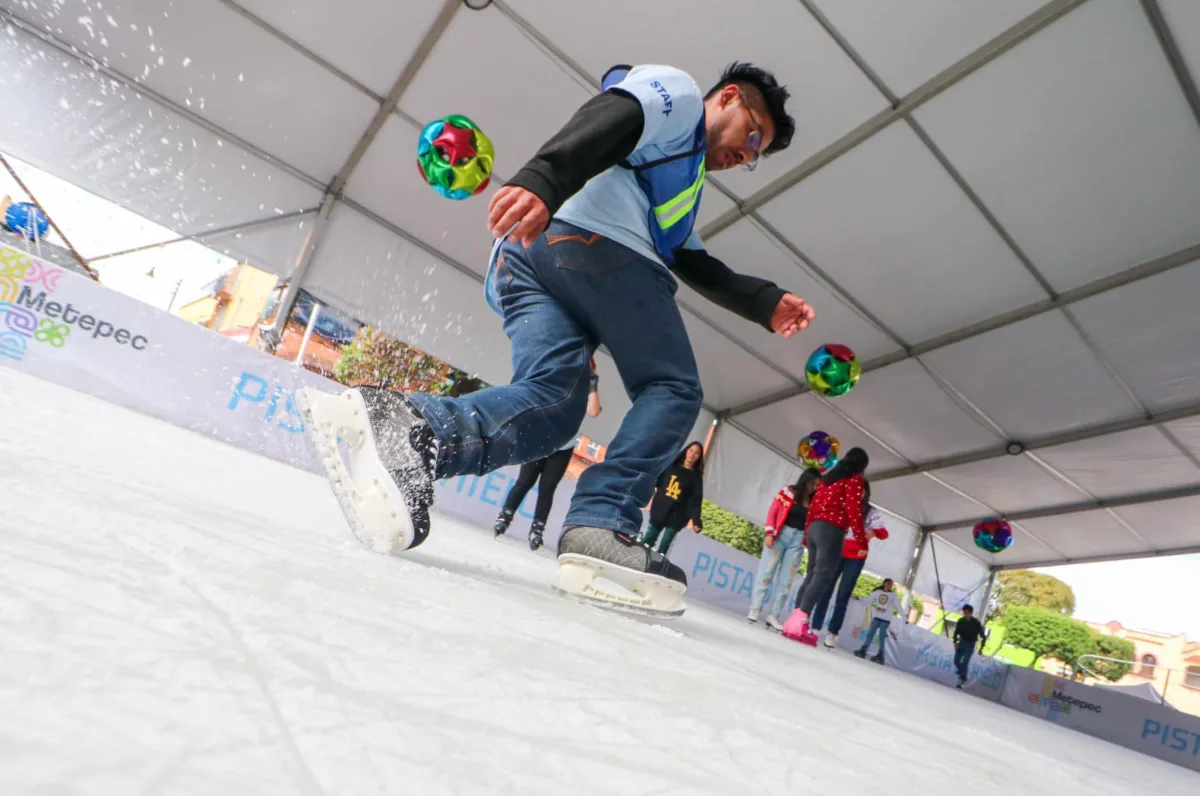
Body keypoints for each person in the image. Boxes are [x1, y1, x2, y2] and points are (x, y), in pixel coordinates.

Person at [299, 61, 813, 618]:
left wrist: (761, 301)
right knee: (672, 384)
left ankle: (411, 430)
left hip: (526, 263)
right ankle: (602, 520)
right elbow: (616, 113)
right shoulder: (681, 97)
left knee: (555, 405)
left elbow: (692, 259)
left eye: (757, 156)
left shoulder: (683, 189)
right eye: (754, 134)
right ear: (729, 98)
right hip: (593, 246)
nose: (748, 154)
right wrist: (544, 178)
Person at [493, 358, 602, 550]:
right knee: (524, 481)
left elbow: (593, 411)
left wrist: (592, 386)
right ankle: (505, 516)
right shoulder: (561, 379)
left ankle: (537, 529)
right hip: (540, 438)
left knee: (547, 488)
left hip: (564, 445)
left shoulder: (585, 390)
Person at [782, 448, 869, 646]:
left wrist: (807, 531)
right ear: (862, 467)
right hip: (831, 530)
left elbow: (813, 505)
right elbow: (854, 510)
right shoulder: (854, 480)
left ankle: (794, 621)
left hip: (814, 527)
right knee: (822, 576)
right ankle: (800, 622)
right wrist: (862, 541)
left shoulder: (829, 478)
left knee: (812, 574)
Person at [813, 482, 889, 648]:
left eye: (861, 491)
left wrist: (874, 532)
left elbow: (884, 533)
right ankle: (815, 627)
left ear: (866, 493)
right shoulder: (843, 504)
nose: (858, 493)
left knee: (843, 595)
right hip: (837, 551)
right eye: (855, 490)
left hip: (856, 557)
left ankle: (833, 633)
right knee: (825, 589)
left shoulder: (870, 512)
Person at [749, 468, 821, 630]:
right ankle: (755, 608)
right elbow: (773, 511)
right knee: (766, 573)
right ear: (805, 480)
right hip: (779, 535)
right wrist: (769, 532)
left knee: (786, 581)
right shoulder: (788, 492)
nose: (813, 488)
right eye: (812, 483)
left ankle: (773, 615)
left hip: (797, 541)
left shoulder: (815, 502)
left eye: (817, 485)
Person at [641, 442, 704, 554]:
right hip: (661, 508)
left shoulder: (696, 478)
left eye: (696, 453)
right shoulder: (670, 467)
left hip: (679, 515)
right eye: (691, 450)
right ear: (686, 451)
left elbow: (695, 501)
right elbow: (657, 481)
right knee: (649, 537)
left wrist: (696, 521)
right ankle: (638, 557)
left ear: (699, 457)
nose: (692, 454)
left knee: (665, 544)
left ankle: (656, 566)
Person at [853, 578, 902, 664]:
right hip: (877, 617)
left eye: (891, 584)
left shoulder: (893, 595)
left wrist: (904, 617)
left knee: (881, 637)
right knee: (870, 634)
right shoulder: (877, 592)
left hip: (885, 619)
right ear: (884, 584)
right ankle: (864, 649)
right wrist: (859, 598)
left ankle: (880, 655)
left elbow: (898, 606)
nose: (890, 586)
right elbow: (868, 599)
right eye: (888, 583)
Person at [953, 604, 985, 689]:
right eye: (964, 612)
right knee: (956, 661)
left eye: (966, 613)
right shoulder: (961, 621)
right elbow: (956, 633)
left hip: (970, 644)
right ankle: (962, 674)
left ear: (971, 613)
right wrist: (955, 642)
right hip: (961, 642)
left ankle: (962, 678)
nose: (964, 614)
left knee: (964, 662)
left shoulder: (976, 623)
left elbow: (983, 636)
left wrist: (981, 648)